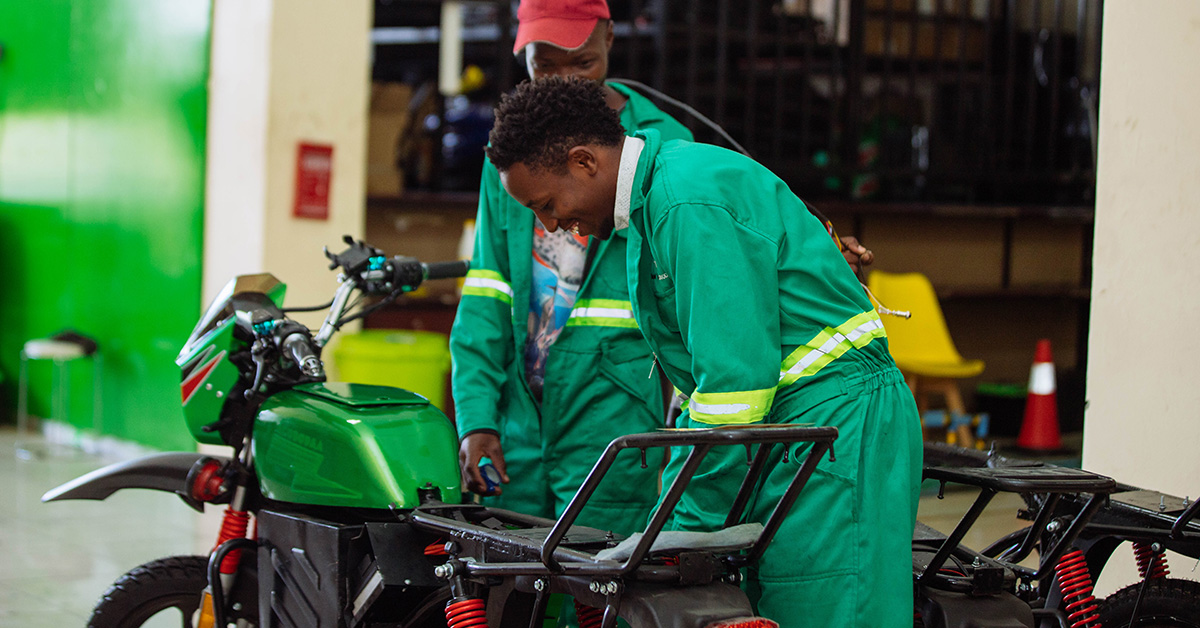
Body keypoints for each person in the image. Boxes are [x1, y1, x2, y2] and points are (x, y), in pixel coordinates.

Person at [484, 75, 922, 627]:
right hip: (801, 435)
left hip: (836, 432)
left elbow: (734, 387)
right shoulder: (660, 199)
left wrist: (676, 526)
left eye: (546, 204)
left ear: (583, 161)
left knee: (826, 607)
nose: (551, 226)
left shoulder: (684, 200)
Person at [450, 0, 694, 538]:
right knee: (508, 585)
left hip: (614, 419)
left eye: (581, 62)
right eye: (544, 64)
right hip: (520, 419)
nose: (563, 81)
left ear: (609, 37)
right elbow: (487, 290)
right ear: (521, 50)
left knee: (603, 591)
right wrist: (478, 417)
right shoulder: (508, 156)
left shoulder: (664, 145)